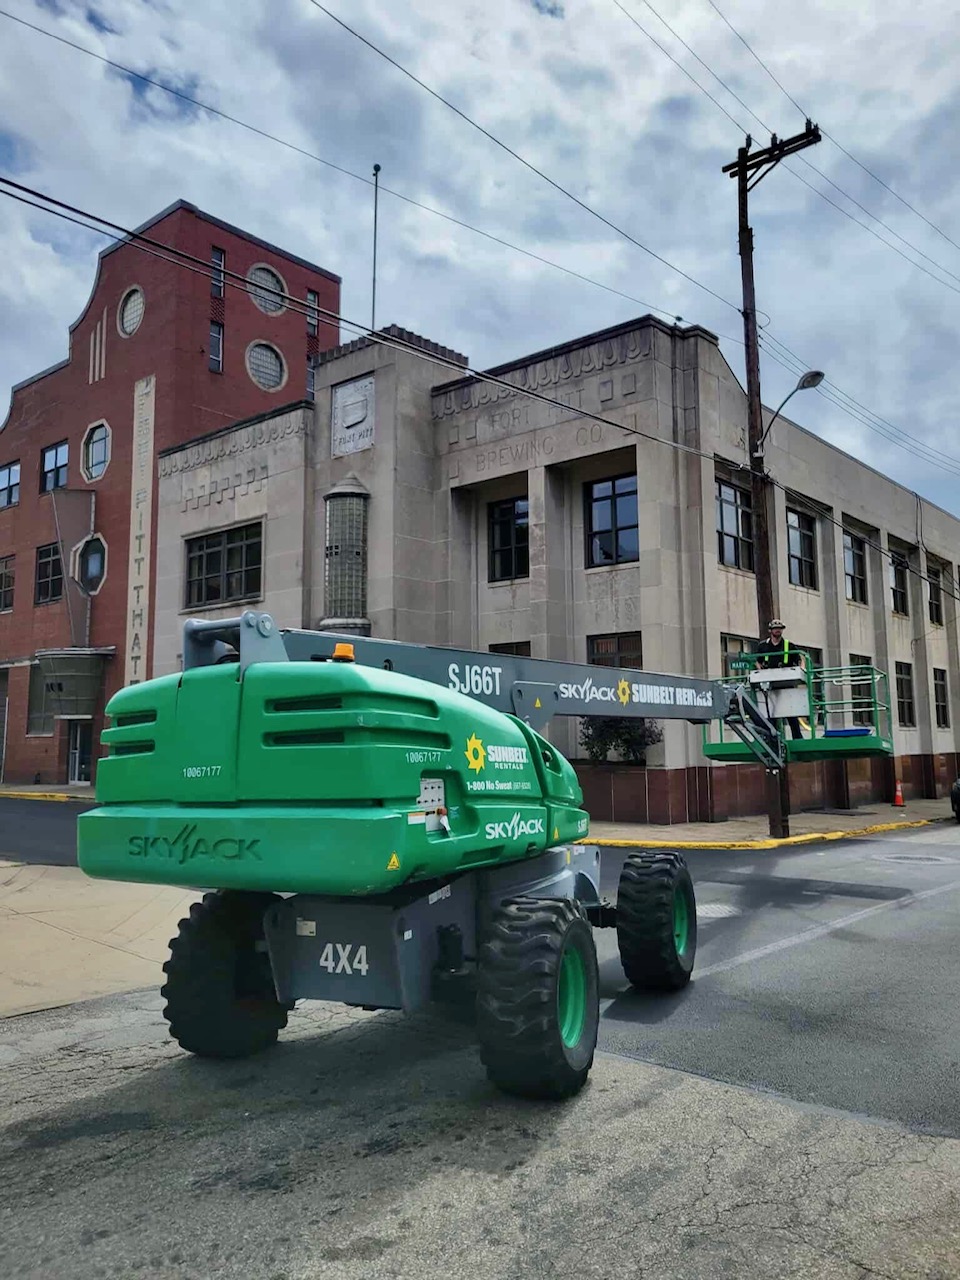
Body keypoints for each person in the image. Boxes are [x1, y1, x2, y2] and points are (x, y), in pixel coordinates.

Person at [755, 619, 804, 740]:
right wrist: (761, 671)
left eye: (780, 628)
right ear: (770, 631)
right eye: (775, 628)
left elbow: (801, 658)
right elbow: (757, 661)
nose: (778, 630)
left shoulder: (788, 645)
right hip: (770, 685)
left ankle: (797, 738)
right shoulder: (763, 646)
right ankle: (772, 740)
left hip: (786, 684)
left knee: (791, 714)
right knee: (771, 714)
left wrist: (801, 670)